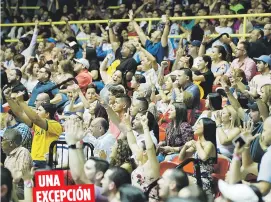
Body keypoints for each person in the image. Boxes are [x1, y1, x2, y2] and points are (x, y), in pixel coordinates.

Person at [4, 89, 62, 169]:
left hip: (47, 162)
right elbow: (20, 113)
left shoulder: (55, 125)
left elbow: (36, 119)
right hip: (33, 161)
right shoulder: (37, 125)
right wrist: (8, 98)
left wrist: (21, 102)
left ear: (47, 114)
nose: (36, 112)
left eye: (39, 110)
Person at [179, 118, 217, 196]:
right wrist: (186, 145)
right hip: (196, 177)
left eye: (199, 124)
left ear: (206, 128)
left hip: (205, 180)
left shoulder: (209, 144)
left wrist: (197, 144)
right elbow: (181, 158)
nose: (196, 126)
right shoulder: (197, 144)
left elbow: (203, 157)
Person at [1, 128, 32, 199]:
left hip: (20, 189)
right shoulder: (8, 156)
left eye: (3, 140)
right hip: (10, 187)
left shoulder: (23, 152)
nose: (1, 143)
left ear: (11, 143)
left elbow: (18, 177)